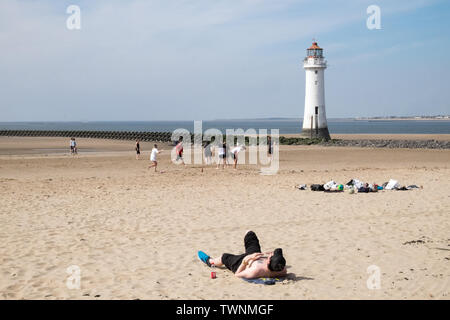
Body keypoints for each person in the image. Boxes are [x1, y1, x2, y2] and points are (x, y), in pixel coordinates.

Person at [198, 231, 287, 279]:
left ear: (268, 261)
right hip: (255, 255)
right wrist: (267, 255)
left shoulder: (256, 270)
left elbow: (238, 274)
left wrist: (246, 261)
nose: (271, 254)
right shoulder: (282, 269)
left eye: (272, 256)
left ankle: (210, 261)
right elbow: (275, 262)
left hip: (242, 263)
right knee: (250, 234)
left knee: (224, 257)